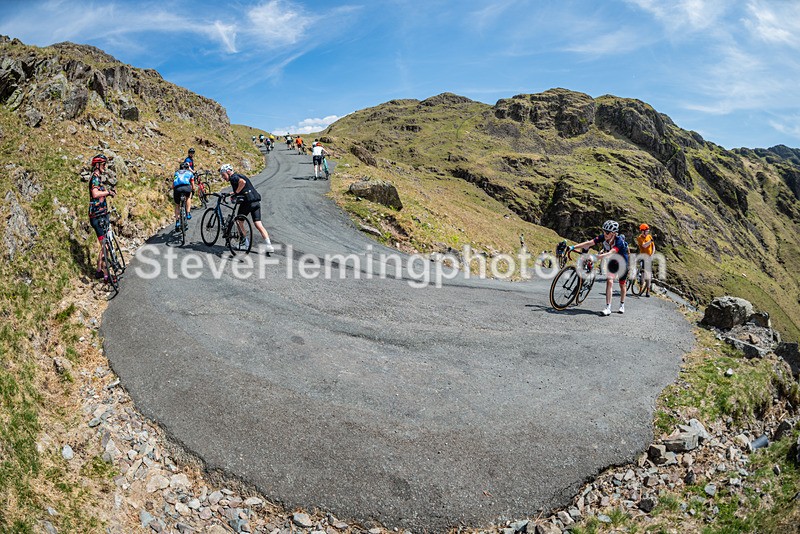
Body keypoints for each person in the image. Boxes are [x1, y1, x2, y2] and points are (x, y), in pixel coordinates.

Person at [568, 220, 629, 316]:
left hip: (622, 263)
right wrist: (572, 247)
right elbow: (589, 243)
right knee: (609, 281)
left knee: (622, 285)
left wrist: (596, 257)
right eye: (604, 231)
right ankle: (608, 307)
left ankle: (622, 304)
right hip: (613, 262)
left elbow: (610, 253)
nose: (605, 233)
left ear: (613, 233)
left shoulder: (619, 241)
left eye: (607, 232)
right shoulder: (603, 237)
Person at [218, 163, 275, 253]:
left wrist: (236, 193)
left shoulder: (233, 177)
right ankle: (269, 245)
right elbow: (244, 186)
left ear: (228, 172)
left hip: (247, 202)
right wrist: (231, 194)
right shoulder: (240, 175)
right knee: (258, 224)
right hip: (256, 202)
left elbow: (242, 183)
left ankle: (245, 243)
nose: (223, 177)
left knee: (238, 221)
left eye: (223, 175)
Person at [88, 154, 115, 280]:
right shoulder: (95, 177)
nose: (105, 166)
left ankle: (99, 270)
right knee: (106, 246)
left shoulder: (98, 178)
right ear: (97, 165)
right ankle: (106, 275)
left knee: (104, 244)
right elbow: (95, 193)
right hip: (97, 216)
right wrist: (108, 192)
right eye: (103, 164)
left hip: (101, 214)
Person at [171, 161, 195, 231]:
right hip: (186, 187)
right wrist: (193, 190)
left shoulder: (176, 173)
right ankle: (188, 213)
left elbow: (173, 186)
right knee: (188, 197)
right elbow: (193, 186)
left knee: (177, 205)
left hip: (177, 189)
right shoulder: (189, 173)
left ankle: (177, 222)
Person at [636, 223, 655, 297]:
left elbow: (653, 247)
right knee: (643, 274)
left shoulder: (649, 236)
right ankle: (641, 289)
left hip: (649, 258)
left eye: (648, 230)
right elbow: (644, 245)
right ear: (643, 231)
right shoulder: (640, 238)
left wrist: (652, 254)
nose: (648, 232)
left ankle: (648, 290)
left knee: (649, 275)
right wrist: (650, 241)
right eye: (646, 231)